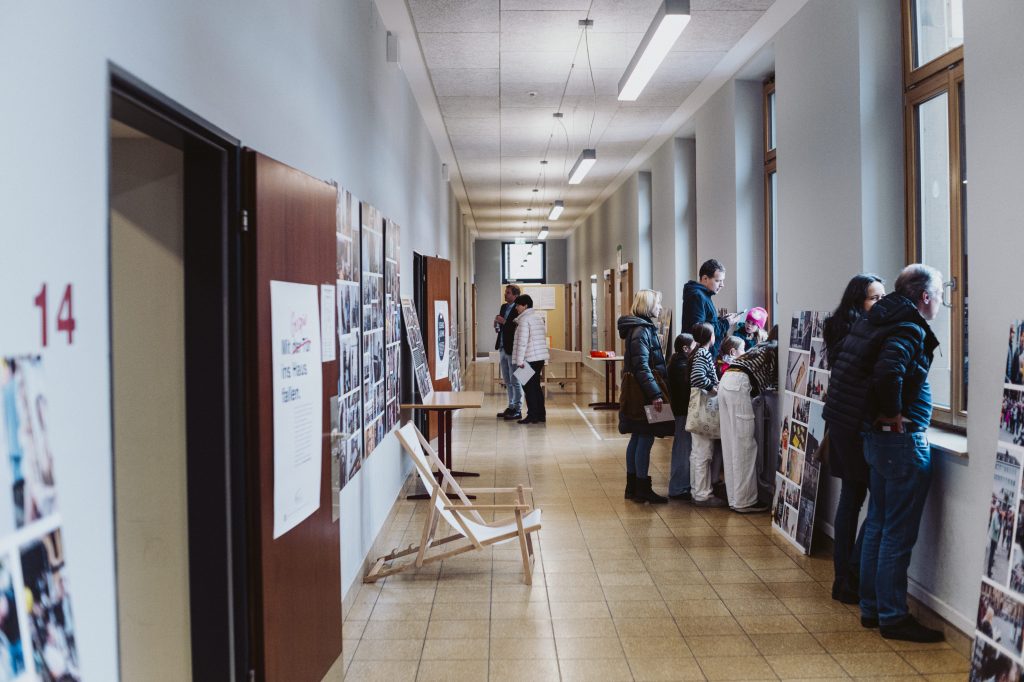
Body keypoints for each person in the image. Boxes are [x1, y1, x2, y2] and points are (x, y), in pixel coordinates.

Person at [825, 263, 944, 643]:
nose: (941, 303)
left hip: (875, 439)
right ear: (924, 296)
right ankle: (892, 615)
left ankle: (872, 607)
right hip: (899, 442)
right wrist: (893, 413)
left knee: (877, 522)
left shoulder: (876, 320)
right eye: (940, 295)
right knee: (895, 531)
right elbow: (888, 372)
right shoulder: (907, 326)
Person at [821, 273, 885, 604]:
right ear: (858, 301)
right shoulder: (861, 333)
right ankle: (851, 574)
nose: (881, 302)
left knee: (851, 497)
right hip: (856, 424)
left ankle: (844, 577)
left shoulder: (841, 328)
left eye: (883, 296)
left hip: (841, 422)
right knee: (872, 501)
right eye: (875, 297)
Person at [618, 290, 672, 504]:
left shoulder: (638, 327)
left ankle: (632, 487)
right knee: (645, 437)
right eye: (657, 304)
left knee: (637, 436)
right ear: (648, 306)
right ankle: (642, 488)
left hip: (638, 390)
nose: (660, 307)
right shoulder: (642, 330)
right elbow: (642, 366)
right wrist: (655, 393)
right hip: (643, 393)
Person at [717, 325, 779, 513]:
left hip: (726, 380)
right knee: (744, 446)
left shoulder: (761, 345)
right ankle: (745, 501)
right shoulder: (774, 348)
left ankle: (734, 498)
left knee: (730, 443)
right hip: (740, 384)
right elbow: (775, 380)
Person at [688, 323, 727, 507]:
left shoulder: (695, 352)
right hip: (704, 410)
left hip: (696, 409)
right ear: (710, 337)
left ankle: (696, 490)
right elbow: (697, 377)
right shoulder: (703, 353)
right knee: (704, 452)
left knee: (697, 452)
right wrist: (713, 388)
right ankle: (703, 494)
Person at [682, 259, 744, 359]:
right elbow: (700, 331)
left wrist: (722, 320)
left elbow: (706, 322)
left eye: (722, 281)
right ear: (705, 278)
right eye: (718, 280)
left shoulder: (703, 295)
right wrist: (726, 323)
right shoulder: (697, 296)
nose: (722, 284)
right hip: (700, 358)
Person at [511, 294, 549, 424]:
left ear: (525, 306)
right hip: (539, 358)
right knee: (536, 387)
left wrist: (520, 361)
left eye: (518, 305)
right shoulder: (537, 317)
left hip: (528, 358)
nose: (516, 308)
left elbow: (522, 342)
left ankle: (532, 415)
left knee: (529, 388)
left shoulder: (524, 320)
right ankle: (540, 415)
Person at [667, 333, 695, 501]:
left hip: (679, 411)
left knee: (682, 447)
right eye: (693, 345)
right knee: (683, 448)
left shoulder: (675, 362)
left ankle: (681, 485)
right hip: (682, 411)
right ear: (685, 348)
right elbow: (685, 391)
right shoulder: (681, 366)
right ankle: (678, 487)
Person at [494, 284, 523, 420]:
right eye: (505, 292)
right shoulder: (503, 307)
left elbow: (516, 328)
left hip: (512, 349)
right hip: (502, 347)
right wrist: (497, 324)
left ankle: (518, 409)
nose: (505, 294)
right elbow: (502, 326)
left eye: (508, 293)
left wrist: (504, 322)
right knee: (507, 380)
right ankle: (511, 406)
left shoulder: (519, 309)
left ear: (515, 295)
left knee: (515, 379)